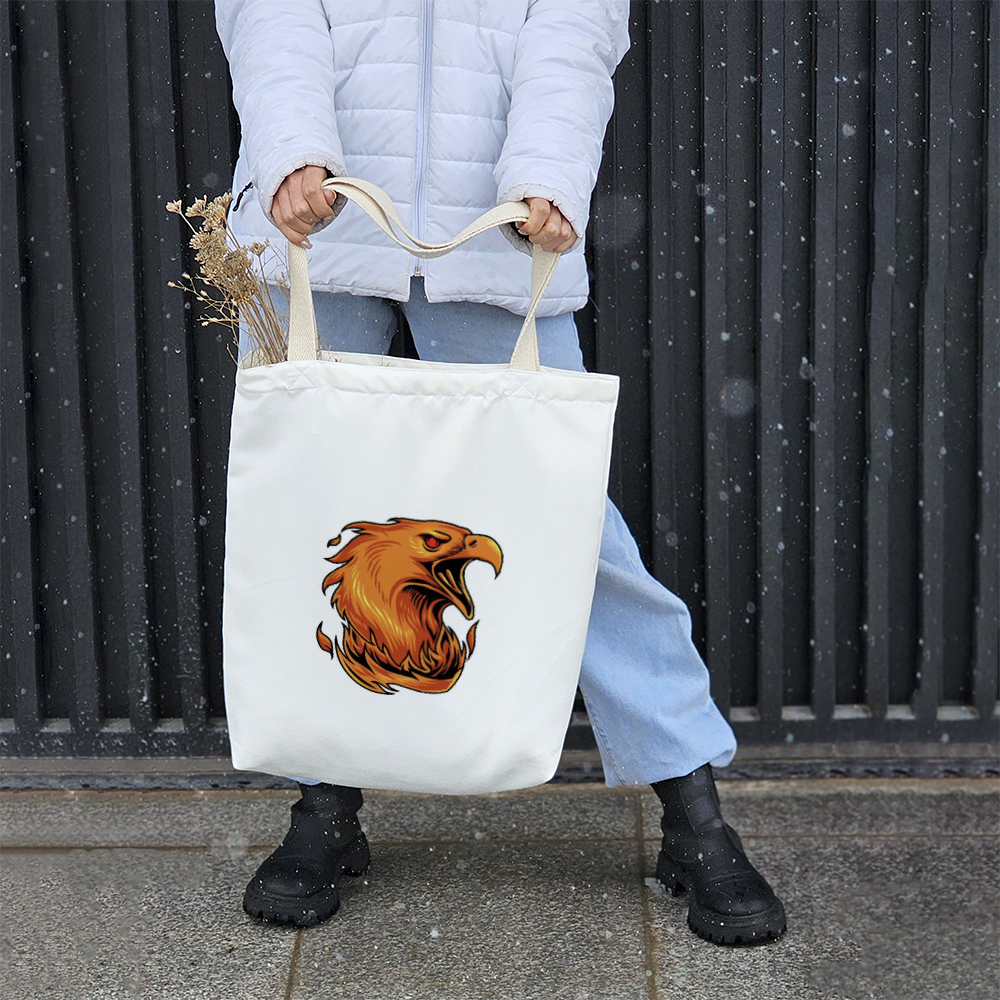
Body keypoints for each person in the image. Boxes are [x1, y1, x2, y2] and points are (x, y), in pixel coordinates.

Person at [215, 0, 786, 946]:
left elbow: (573, 27)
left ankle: (693, 813)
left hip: (496, 233)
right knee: (310, 527)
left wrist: (548, 174)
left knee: (569, 531)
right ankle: (323, 803)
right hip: (315, 229)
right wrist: (291, 153)